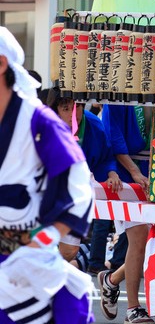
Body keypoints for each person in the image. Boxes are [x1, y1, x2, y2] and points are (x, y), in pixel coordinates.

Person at [0, 26, 93, 324]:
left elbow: (78, 188)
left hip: (24, 264)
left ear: (1, 64)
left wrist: (44, 240)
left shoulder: (40, 122)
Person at [97, 104, 155, 324]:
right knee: (139, 237)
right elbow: (113, 136)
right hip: (126, 174)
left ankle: (111, 280)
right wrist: (133, 171)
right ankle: (133, 308)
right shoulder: (120, 90)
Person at [45, 91, 115, 267]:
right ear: (56, 110)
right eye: (66, 108)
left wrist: (111, 173)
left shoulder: (93, 125)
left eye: (76, 108)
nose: (72, 114)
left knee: (69, 251)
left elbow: (105, 158)